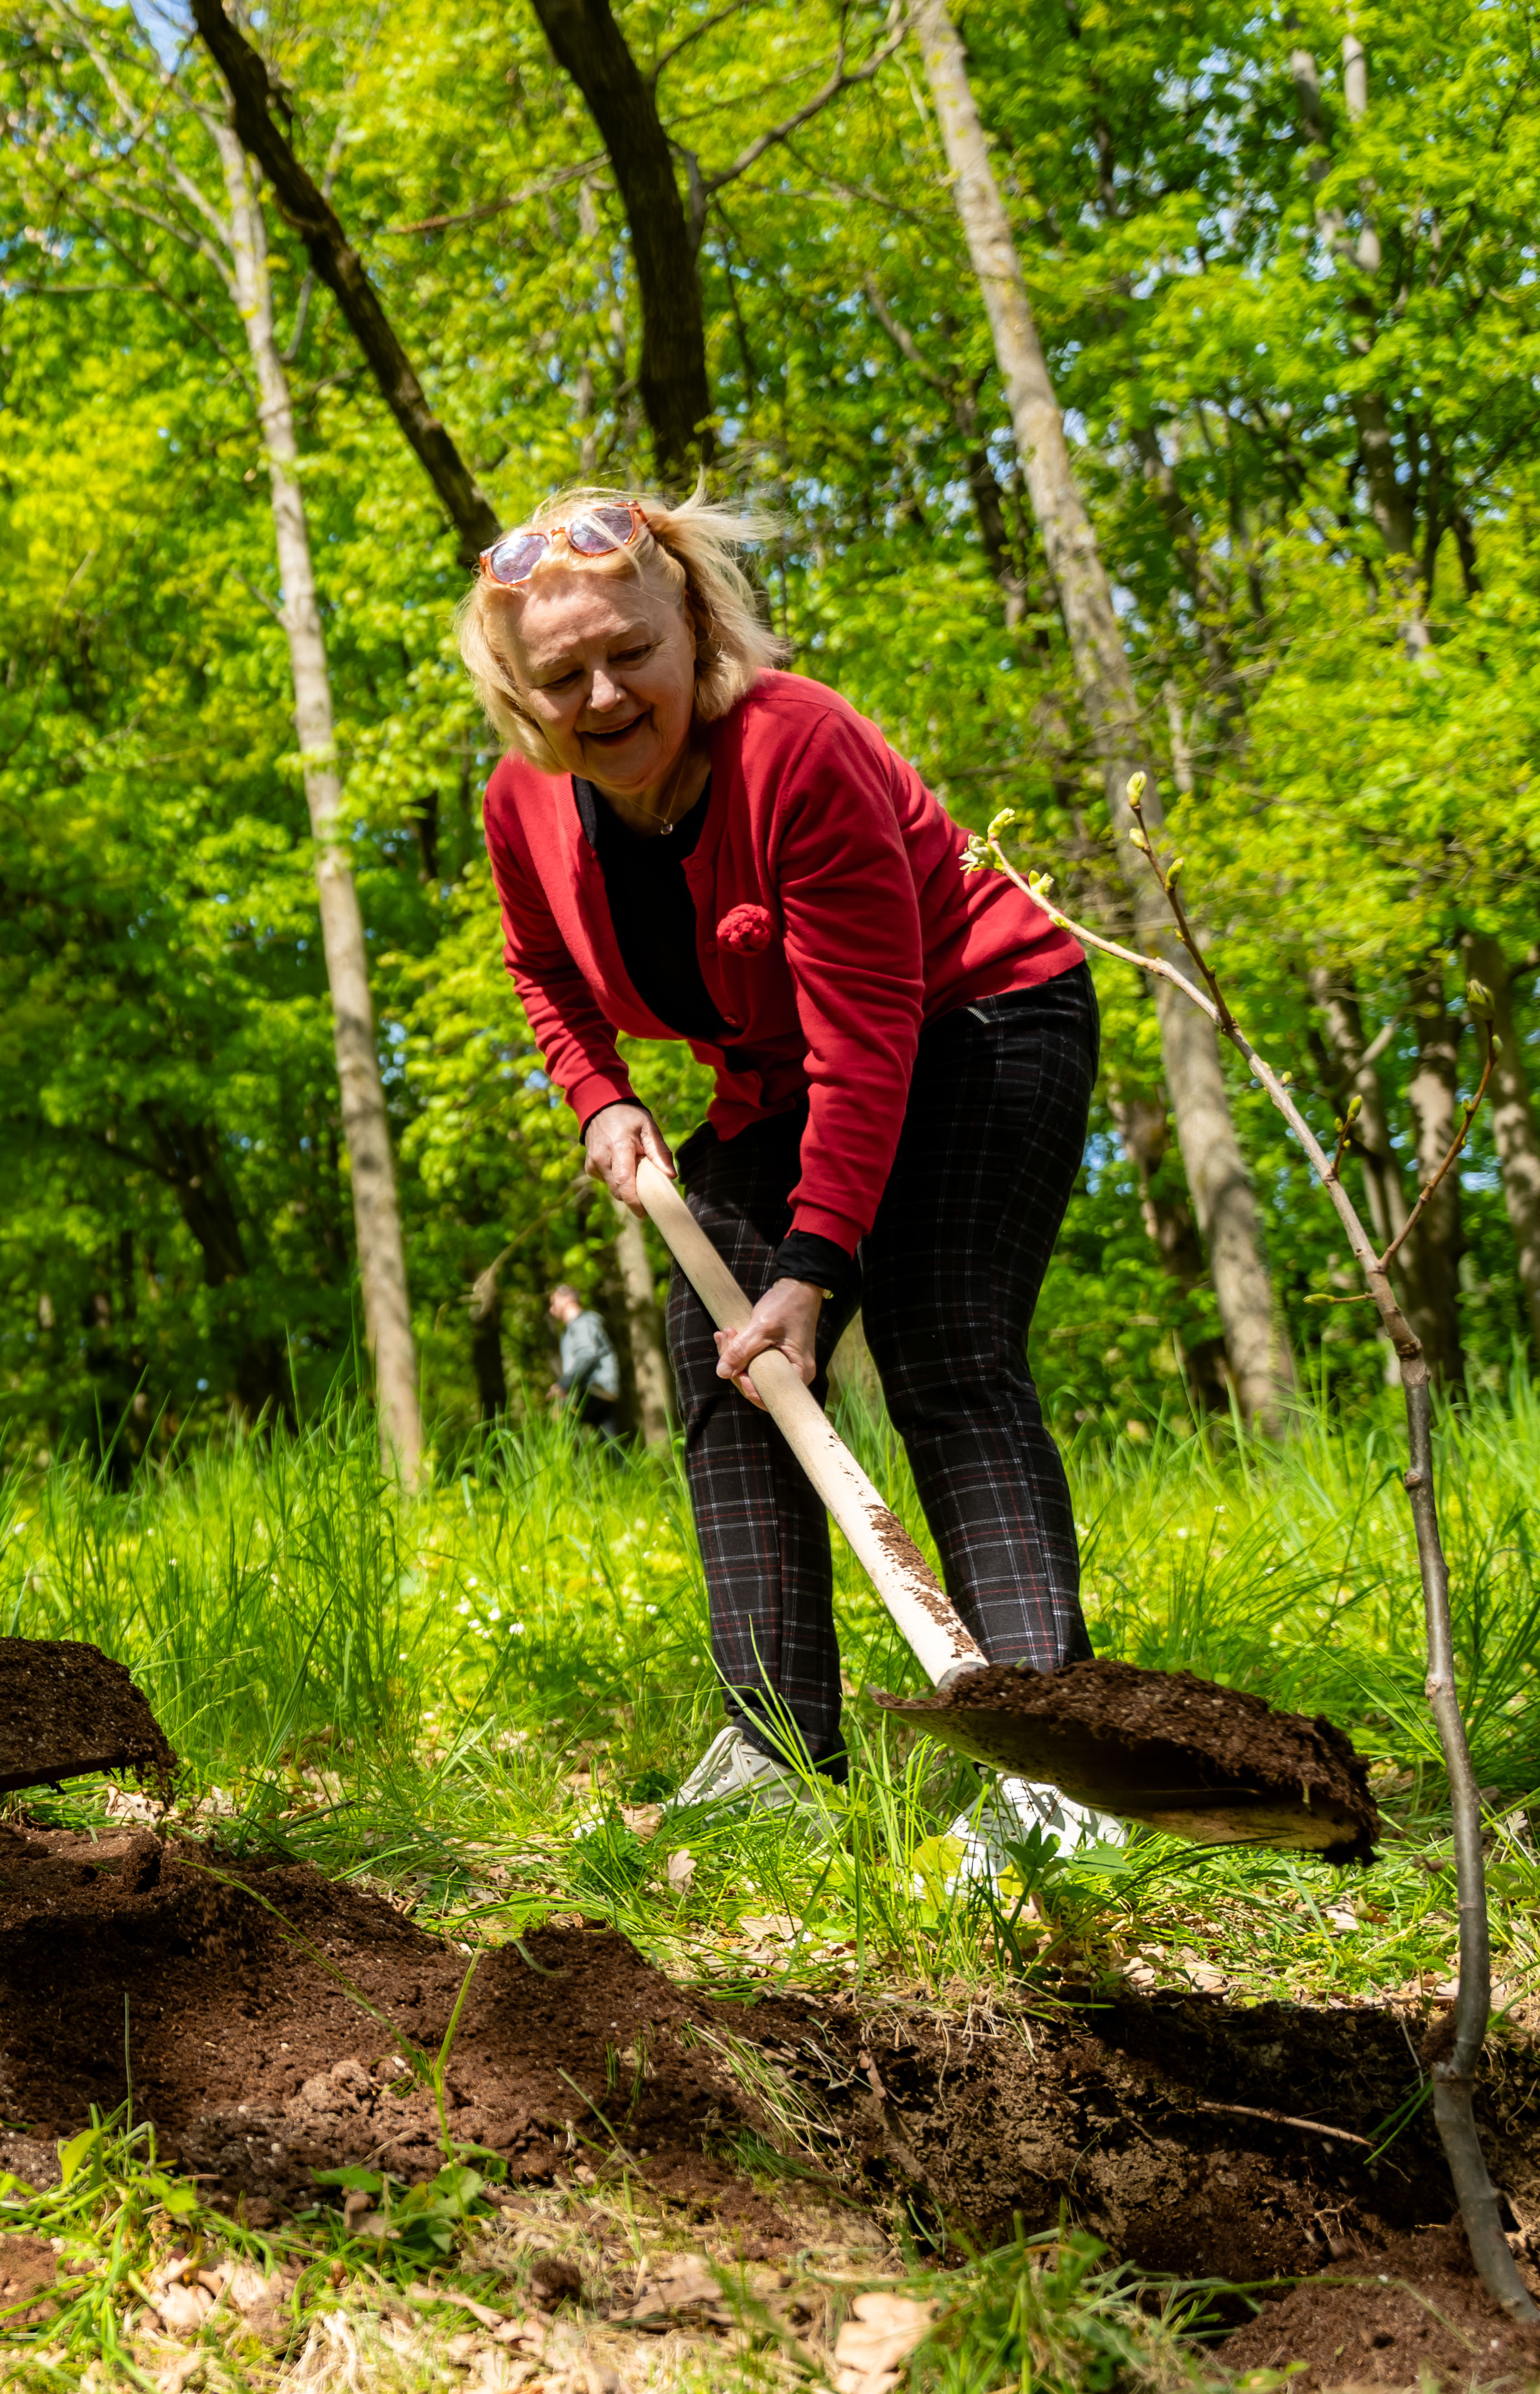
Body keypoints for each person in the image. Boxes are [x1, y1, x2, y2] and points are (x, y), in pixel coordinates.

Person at [460, 488, 1122, 1869]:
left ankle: (1055, 1763)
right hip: (782, 1073)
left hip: (980, 1018)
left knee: (943, 1344)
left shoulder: (796, 746)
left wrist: (816, 1266)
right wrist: (600, 1097)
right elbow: (542, 967)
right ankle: (775, 1746)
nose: (603, 695)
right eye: (563, 675)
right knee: (726, 1360)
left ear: (695, 627)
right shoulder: (521, 804)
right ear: (521, 691)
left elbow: (869, 1036)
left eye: (629, 652)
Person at [546, 1282, 629, 1448]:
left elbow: (587, 1355)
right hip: (599, 1389)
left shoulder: (582, 1324)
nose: (551, 1309)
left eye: (554, 1303)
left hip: (595, 1388)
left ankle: (563, 1463)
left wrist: (564, 1384)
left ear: (567, 1300)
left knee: (562, 1423)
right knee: (608, 1439)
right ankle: (619, 1464)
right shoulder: (574, 1328)